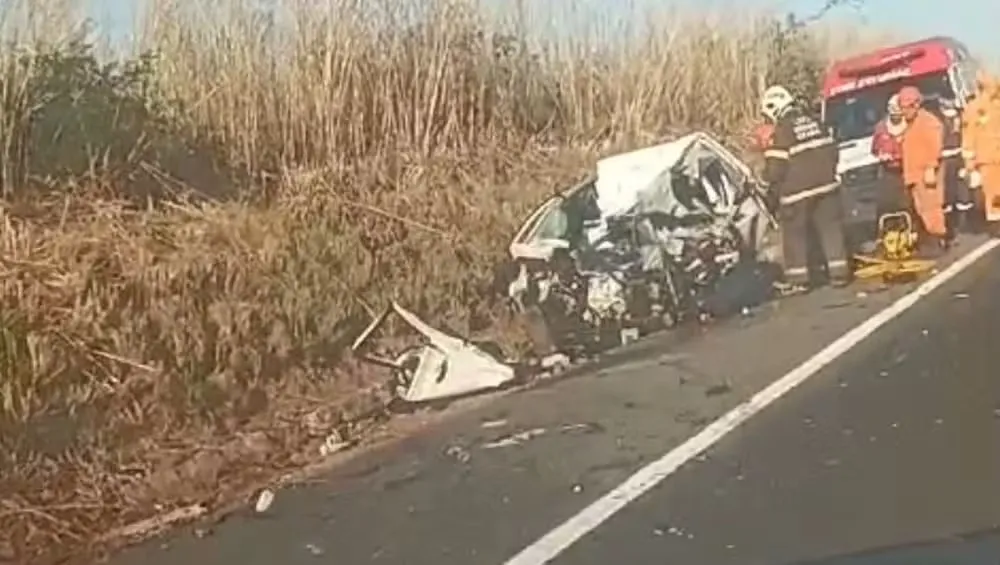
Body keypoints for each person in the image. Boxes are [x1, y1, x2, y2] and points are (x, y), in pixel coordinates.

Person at [760, 85, 849, 289]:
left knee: (794, 235)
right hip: (827, 186)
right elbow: (834, 150)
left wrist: (766, 182)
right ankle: (839, 273)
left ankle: (799, 280)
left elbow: (776, 168)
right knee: (831, 230)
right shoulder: (816, 121)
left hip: (796, 194)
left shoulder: (782, 130)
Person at [897, 85, 948, 254]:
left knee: (932, 207)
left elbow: (935, 146)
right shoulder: (909, 125)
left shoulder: (928, 122)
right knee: (922, 209)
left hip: (925, 173)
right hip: (914, 175)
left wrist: (930, 168)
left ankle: (938, 239)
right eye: (902, 107)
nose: (904, 111)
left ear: (917, 104)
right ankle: (932, 239)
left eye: (907, 107)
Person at [961, 71, 1000, 234]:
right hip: (987, 158)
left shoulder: (997, 105)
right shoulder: (974, 108)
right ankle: (996, 224)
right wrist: (969, 160)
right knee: (993, 193)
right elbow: (968, 135)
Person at [938, 98, 972, 236]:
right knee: (950, 192)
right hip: (948, 159)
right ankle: (954, 223)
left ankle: (959, 222)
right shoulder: (942, 122)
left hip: (956, 158)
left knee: (959, 191)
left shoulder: (955, 119)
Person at [870, 94, 908, 219]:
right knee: (888, 207)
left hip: (907, 171)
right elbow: (874, 150)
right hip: (888, 172)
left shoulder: (910, 125)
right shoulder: (881, 128)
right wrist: (881, 155)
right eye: (893, 111)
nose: (896, 115)